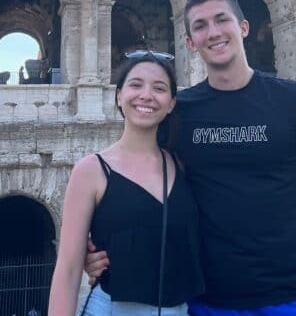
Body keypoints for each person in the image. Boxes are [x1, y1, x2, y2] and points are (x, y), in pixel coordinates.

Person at [88, 0, 296, 316]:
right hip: (204, 302)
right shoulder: (178, 111)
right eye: (200, 26)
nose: (212, 32)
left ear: (243, 28)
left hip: (290, 296)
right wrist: (96, 246)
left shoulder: (295, 101)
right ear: (190, 42)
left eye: (221, 20)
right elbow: (138, 183)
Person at [49, 51, 204, 316]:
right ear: (119, 96)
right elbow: (68, 269)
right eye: (135, 85)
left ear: (171, 104)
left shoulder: (180, 166)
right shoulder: (91, 170)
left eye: (159, 88)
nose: (146, 95)